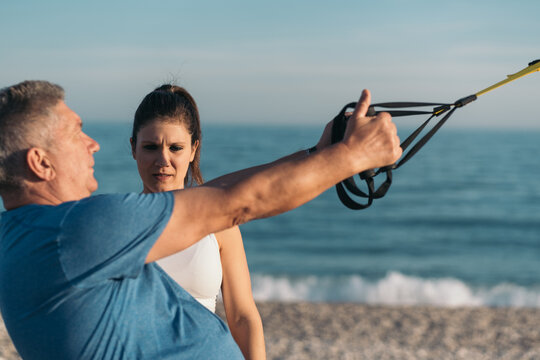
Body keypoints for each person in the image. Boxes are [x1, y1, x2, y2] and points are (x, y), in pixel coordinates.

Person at [0, 80, 401, 360]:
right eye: (77, 133)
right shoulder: (81, 230)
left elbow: (215, 196)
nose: (93, 144)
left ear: (193, 149)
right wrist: (351, 157)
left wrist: (316, 152)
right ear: (40, 162)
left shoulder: (26, 236)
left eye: (176, 147)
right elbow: (237, 202)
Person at [130, 84, 265, 359]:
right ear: (133, 148)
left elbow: (242, 316)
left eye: (175, 148)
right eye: (151, 147)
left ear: (193, 149)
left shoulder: (219, 222)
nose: (163, 160)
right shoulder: (118, 222)